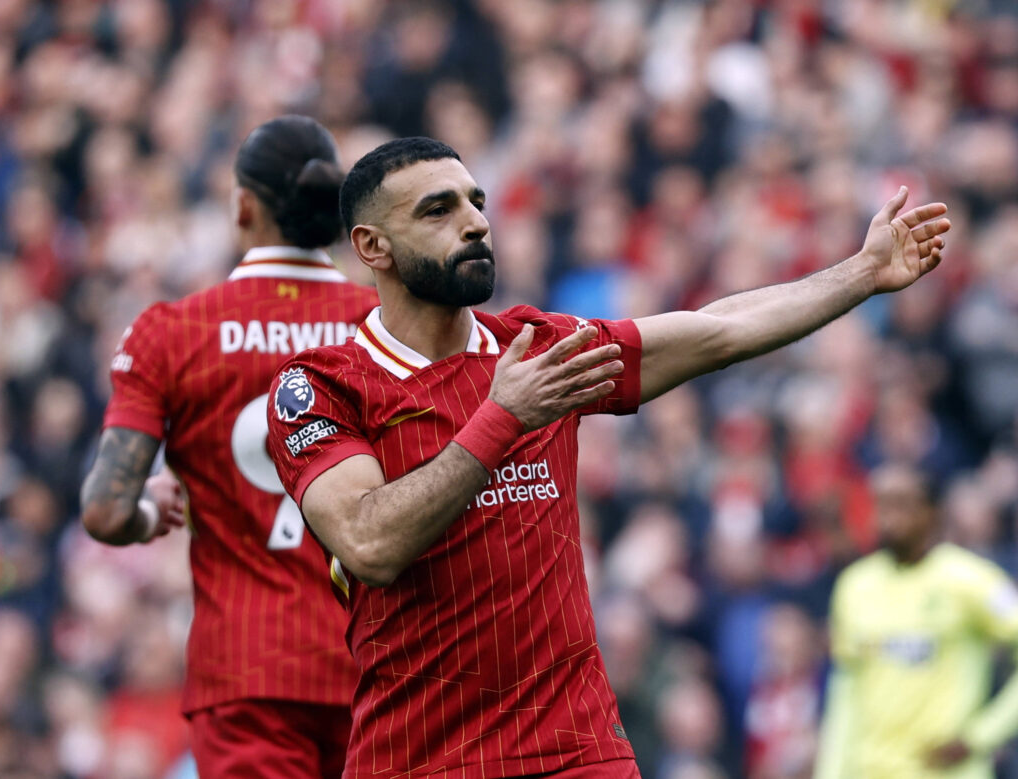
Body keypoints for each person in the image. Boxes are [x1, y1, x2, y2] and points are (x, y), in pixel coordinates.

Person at [264, 137, 950, 778]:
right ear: (372, 246)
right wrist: (503, 418)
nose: (473, 223)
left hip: (575, 747)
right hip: (420, 755)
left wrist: (860, 274)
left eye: (476, 202)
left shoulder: (539, 346)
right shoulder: (321, 386)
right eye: (437, 209)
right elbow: (367, 540)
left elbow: (716, 332)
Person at [80, 115, 378, 778]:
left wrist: (148, 512)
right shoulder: (380, 328)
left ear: (243, 204)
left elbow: (105, 509)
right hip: (377, 666)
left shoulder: (175, 332)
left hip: (245, 670)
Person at [815, 463, 1018, 779]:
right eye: (880, 504)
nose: (888, 517)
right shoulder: (854, 586)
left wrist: (980, 735)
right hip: (871, 770)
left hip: (946, 772)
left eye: (902, 504)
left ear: (933, 512)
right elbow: (846, 687)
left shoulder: (972, 581)